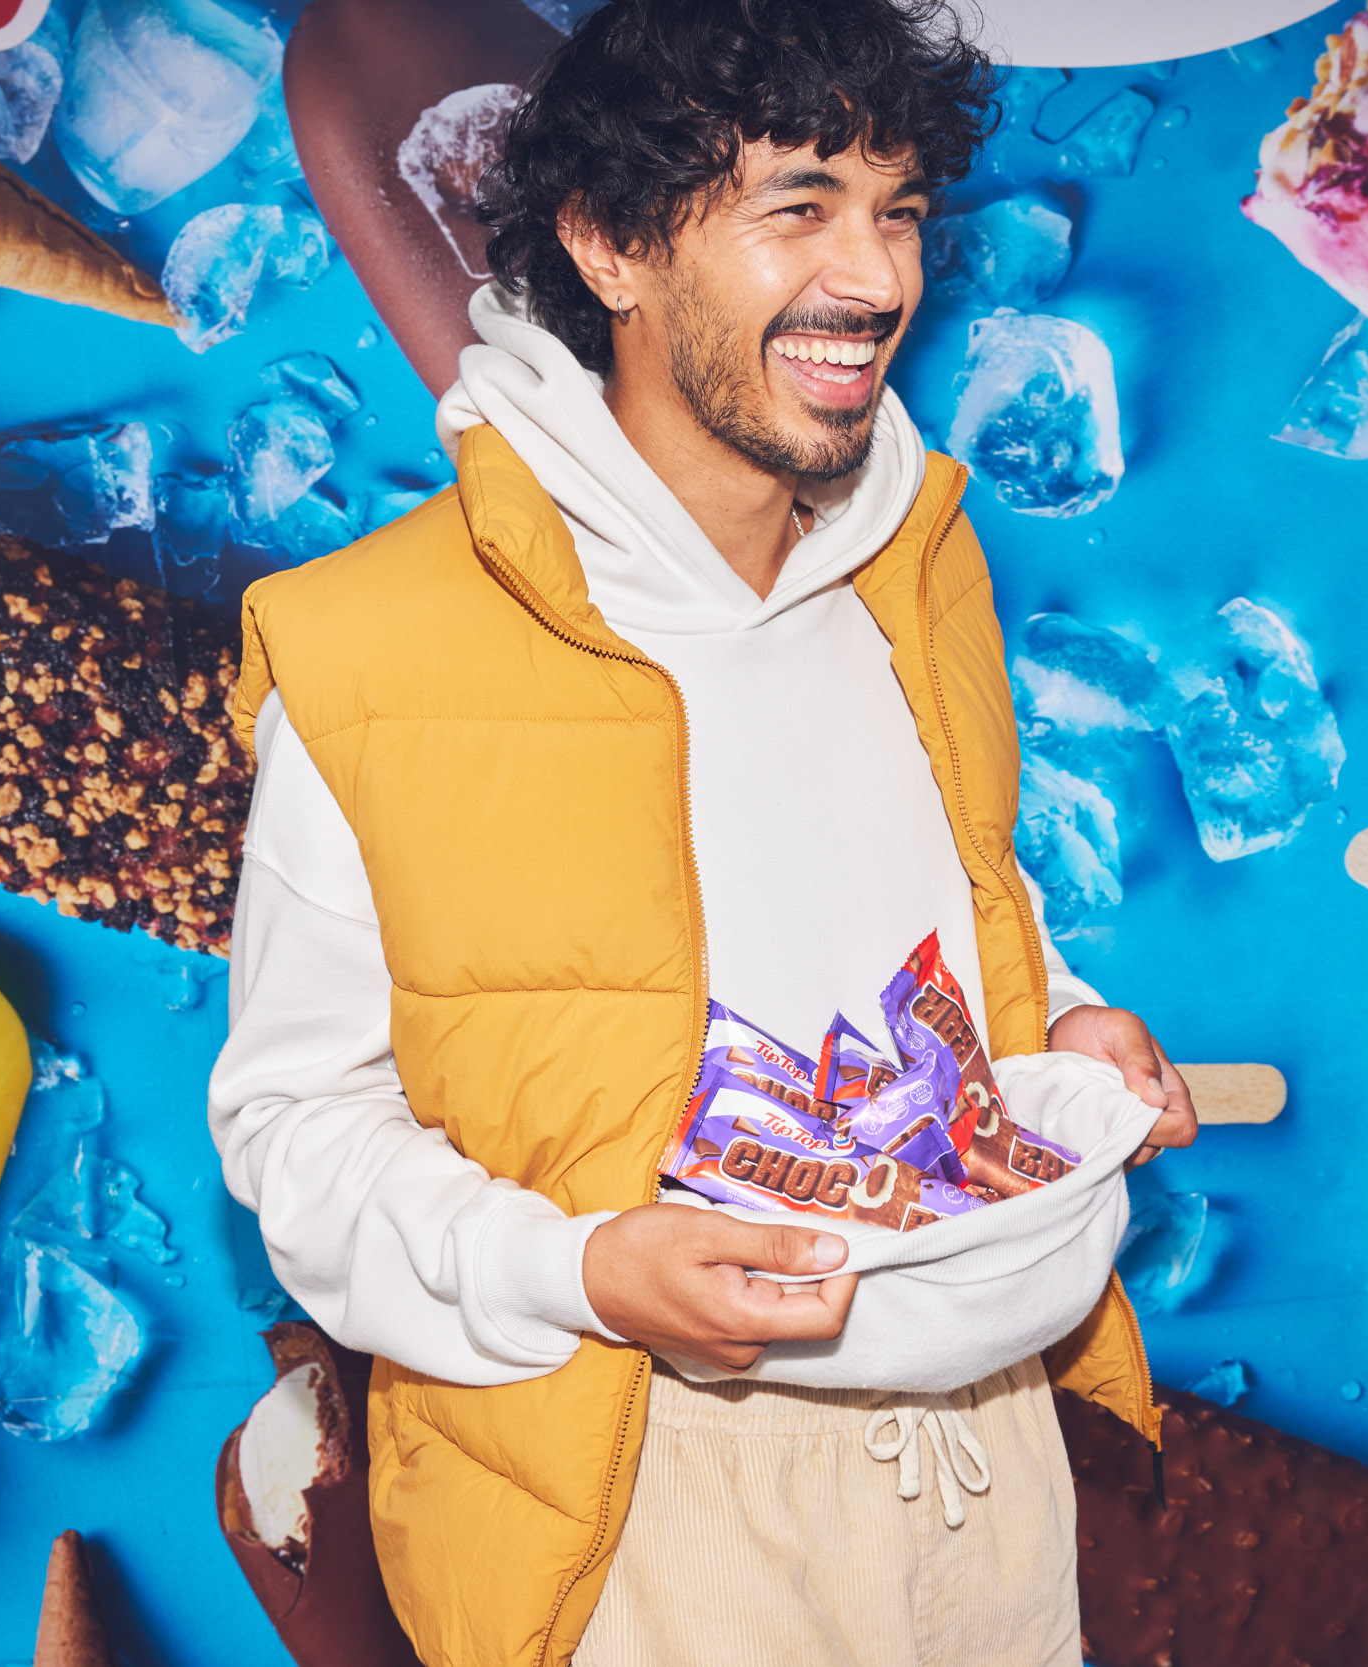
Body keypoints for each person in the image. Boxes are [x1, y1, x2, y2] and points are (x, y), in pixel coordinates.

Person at [209, 2, 1197, 1662]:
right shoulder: (372, 649)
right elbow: (296, 1137)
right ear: (609, 245)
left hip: (992, 1458)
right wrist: (581, 1271)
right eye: (799, 207)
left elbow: (950, 894)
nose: (875, 277)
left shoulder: (922, 563)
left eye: (898, 210)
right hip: (639, 1494)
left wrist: (1061, 1018)